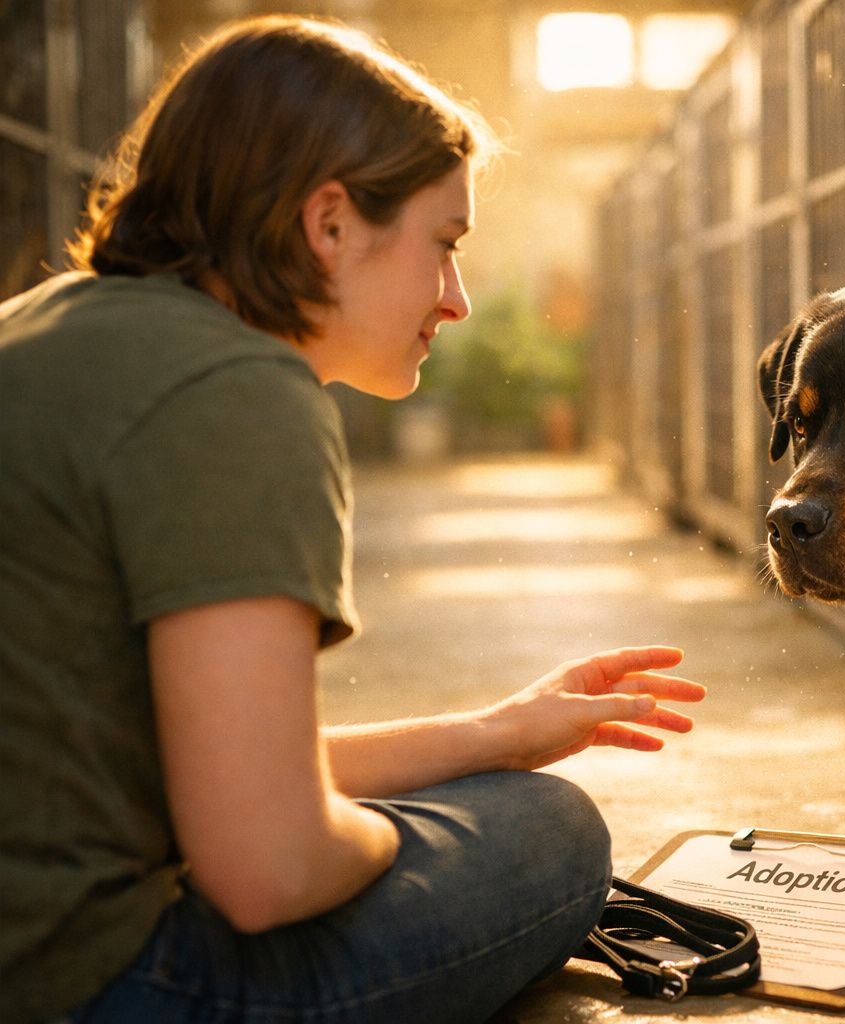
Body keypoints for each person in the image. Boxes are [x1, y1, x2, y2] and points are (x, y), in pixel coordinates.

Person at [0, 15, 706, 1023]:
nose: (456, 298)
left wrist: (494, 732)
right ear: (329, 224)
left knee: (489, 788)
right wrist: (387, 831)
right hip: (91, 984)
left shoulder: (42, 329)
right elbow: (266, 864)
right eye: (444, 244)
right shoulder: (240, 390)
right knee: (548, 832)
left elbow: (204, 771)